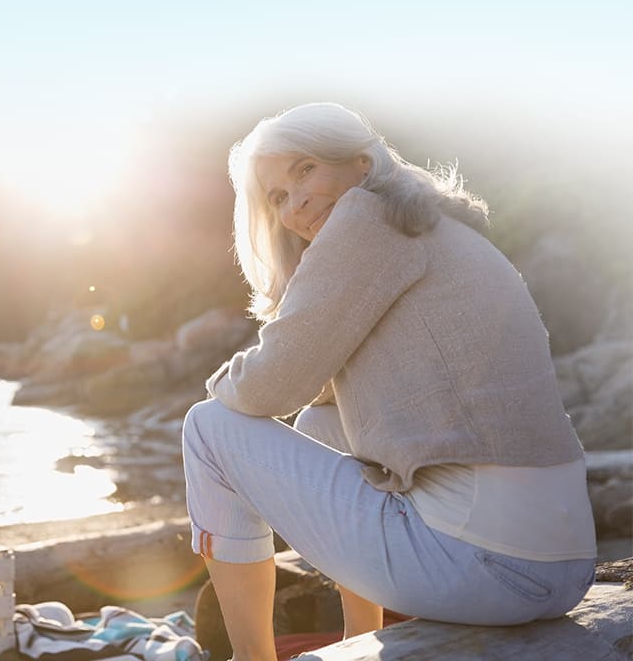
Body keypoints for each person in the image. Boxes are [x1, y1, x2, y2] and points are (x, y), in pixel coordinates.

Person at [181, 102, 596, 658]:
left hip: (485, 569)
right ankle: (360, 638)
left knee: (208, 427)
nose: (295, 201)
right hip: (562, 566)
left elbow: (269, 387)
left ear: (360, 161)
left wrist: (218, 386)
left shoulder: (365, 218)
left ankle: (251, 658)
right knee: (323, 423)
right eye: (276, 196)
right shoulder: (431, 227)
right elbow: (319, 398)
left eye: (304, 170)